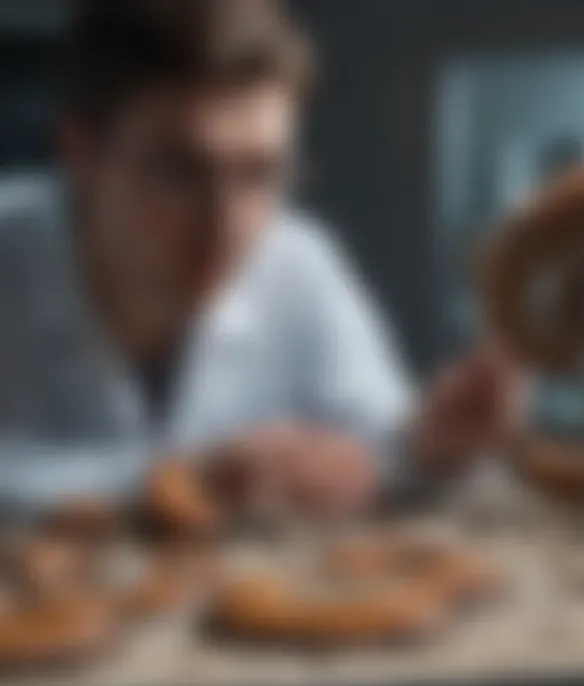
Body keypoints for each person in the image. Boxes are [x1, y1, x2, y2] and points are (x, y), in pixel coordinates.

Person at [0, 0, 518, 513]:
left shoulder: (300, 260)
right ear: (80, 153)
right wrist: (178, 480)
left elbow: (377, 451)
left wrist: (430, 445)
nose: (227, 222)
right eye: (182, 171)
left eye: (261, 172)